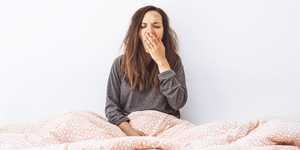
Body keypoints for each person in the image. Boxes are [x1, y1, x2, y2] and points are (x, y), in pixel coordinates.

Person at [105, 5, 188, 137]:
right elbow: (111, 108)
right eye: (143, 26)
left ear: (164, 31)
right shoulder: (120, 63)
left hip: (167, 128)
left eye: (156, 26)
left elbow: (178, 103)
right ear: (136, 32)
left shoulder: (174, 62)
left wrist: (162, 62)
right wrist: (130, 132)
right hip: (130, 128)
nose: (149, 32)